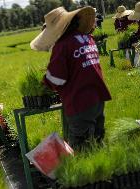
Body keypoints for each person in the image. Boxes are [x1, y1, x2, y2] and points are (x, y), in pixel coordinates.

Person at [30, 6, 112, 150]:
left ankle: (86, 171)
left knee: (82, 145)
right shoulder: (87, 38)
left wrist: (43, 83)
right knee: (98, 140)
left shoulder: (63, 45)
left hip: (80, 101)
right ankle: (102, 168)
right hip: (98, 97)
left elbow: (57, 79)